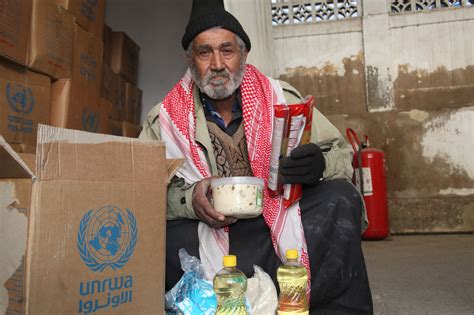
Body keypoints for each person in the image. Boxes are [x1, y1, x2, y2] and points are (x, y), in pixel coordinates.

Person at [140, 0, 373, 313]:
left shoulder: (281, 98)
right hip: (212, 230)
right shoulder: (164, 119)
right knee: (159, 237)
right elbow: (141, 190)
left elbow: (341, 155)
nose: (218, 64)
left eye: (227, 50)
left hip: (278, 219)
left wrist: (318, 165)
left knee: (340, 197)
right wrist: (190, 198)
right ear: (191, 60)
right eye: (205, 52)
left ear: (243, 54)